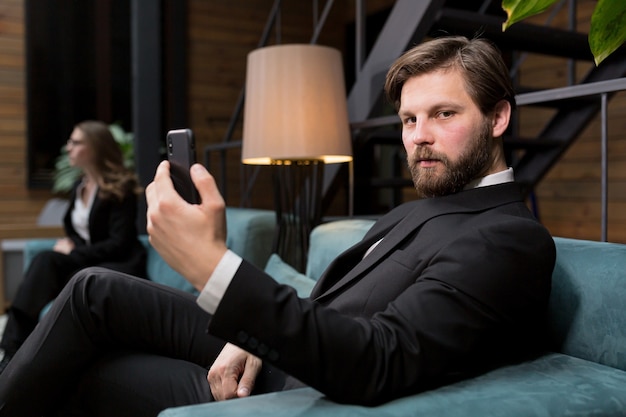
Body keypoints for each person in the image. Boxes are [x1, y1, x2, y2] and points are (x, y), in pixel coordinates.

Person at [0, 36, 555, 416]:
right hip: (283, 351)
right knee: (95, 291)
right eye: (410, 119)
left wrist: (214, 268)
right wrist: (256, 340)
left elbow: (379, 357)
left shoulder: (509, 238)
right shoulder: (418, 208)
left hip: (299, 385)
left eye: (444, 114)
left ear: (498, 117)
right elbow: (335, 301)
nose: (418, 136)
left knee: (87, 372)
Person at [0, 120, 146, 373]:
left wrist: (74, 252)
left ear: (96, 148)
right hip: (90, 260)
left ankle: (14, 349)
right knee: (47, 266)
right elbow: (81, 233)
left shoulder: (119, 188)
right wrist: (73, 245)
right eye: (70, 142)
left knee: (48, 262)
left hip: (119, 263)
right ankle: (17, 353)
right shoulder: (79, 188)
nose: (69, 148)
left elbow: (119, 244)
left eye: (76, 142)